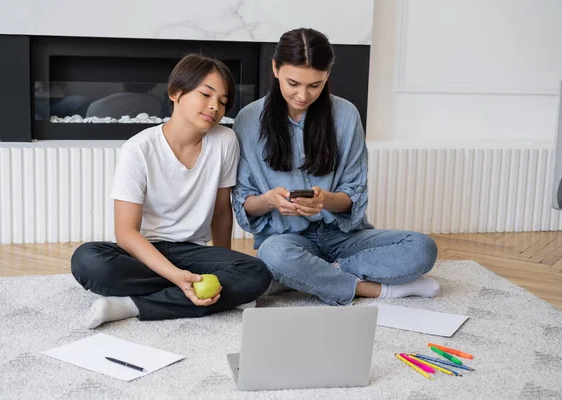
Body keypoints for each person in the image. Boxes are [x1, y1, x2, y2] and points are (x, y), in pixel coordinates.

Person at [232, 28, 439, 306]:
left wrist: (324, 201)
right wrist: (269, 201)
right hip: (287, 239)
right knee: (273, 255)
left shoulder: (346, 115)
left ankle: (307, 275)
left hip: (344, 238)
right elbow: (244, 202)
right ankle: (376, 290)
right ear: (275, 68)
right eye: (293, 83)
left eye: (314, 85)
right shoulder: (248, 120)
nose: (303, 95)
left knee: (421, 248)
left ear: (327, 76)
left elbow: (353, 193)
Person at [71, 54, 272, 329]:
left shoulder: (225, 141)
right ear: (176, 92)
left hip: (194, 251)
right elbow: (126, 234)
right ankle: (211, 292)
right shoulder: (138, 149)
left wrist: (223, 264)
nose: (215, 107)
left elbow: (222, 212)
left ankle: (128, 305)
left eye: (223, 102)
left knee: (256, 273)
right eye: (206, 94)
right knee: (87, 260)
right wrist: (178, 276)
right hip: (146, 251)